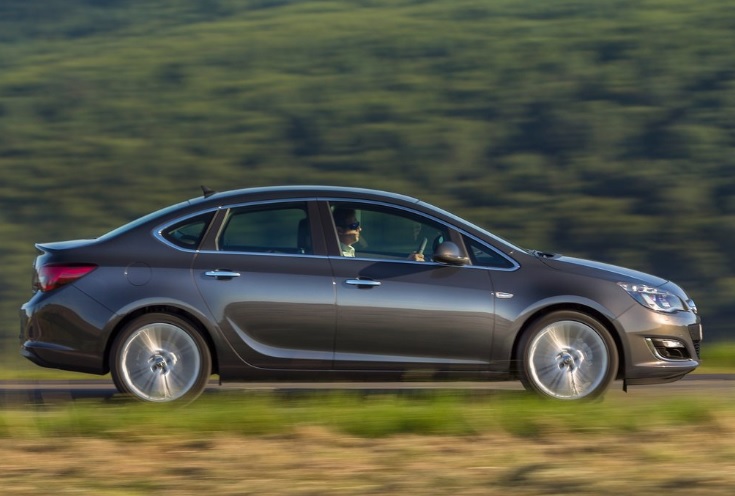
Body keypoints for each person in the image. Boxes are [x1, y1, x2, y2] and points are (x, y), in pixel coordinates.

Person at [332, 207, 424, 261]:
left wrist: (407, 262)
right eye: (355, 225)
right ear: (339, 230)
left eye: (358, 224)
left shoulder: (346, 252)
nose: (360, 229)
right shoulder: (341, 256)